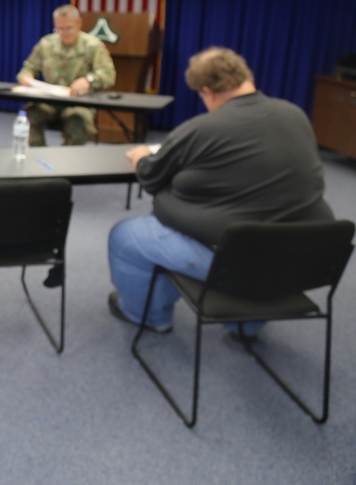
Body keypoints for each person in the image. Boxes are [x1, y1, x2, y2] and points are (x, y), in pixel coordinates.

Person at [107, 47, 333, 336]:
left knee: (127, 237)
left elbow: (151, 177)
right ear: (246, 76)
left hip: (239, 261)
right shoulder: (296, 114)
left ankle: (150, 317)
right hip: (306, 258)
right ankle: (246, 324)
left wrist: (140, 157)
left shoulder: (201, 129)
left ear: (207, 92)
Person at [16, 4, 116, 146]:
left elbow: (108, 73)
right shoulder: (46, 44)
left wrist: (88, 80)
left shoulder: (93, 45)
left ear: (79, 24)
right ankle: (38, 160)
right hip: (49, 101)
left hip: (79, 103)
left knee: (79, 122)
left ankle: (65, 164)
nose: (64, 33)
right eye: (59, 29)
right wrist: (26, 77)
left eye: (69, 28)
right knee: (29, 115)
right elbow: (29, 68)